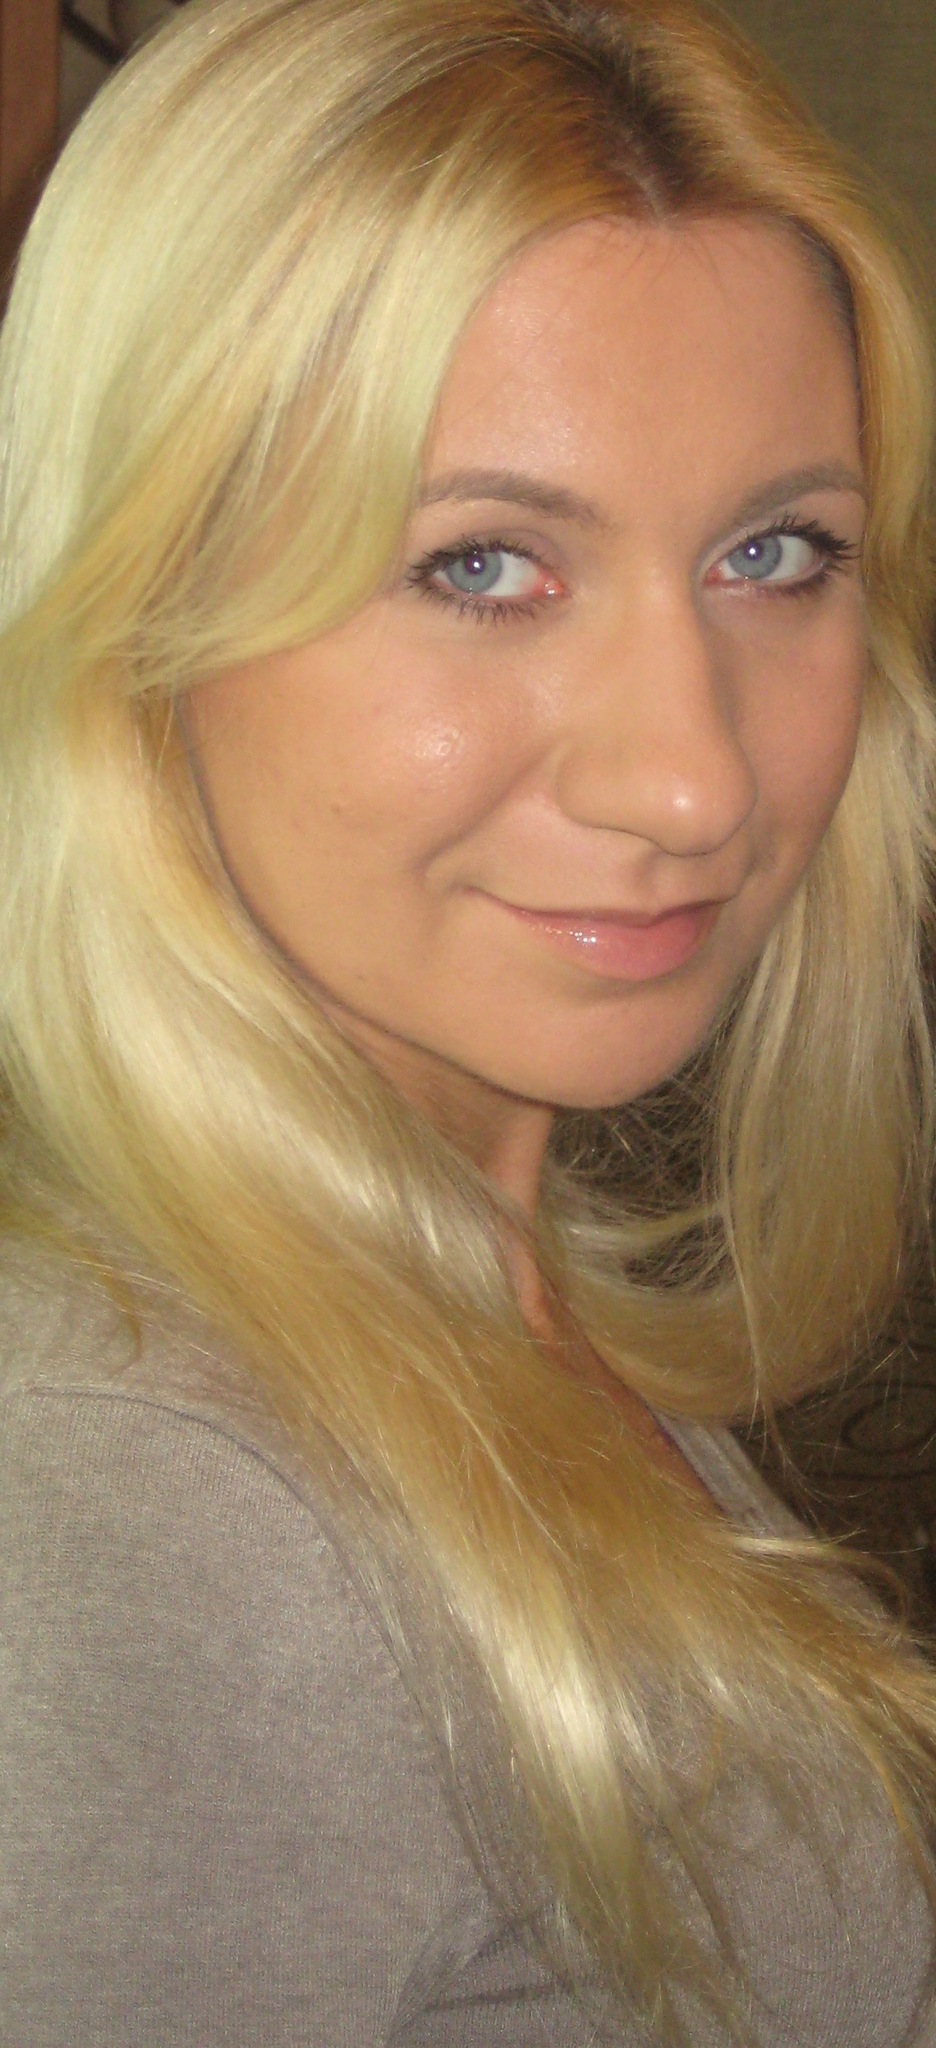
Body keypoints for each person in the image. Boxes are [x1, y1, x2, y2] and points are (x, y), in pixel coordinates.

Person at [1, 0, 935, 2041]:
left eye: (774, 553)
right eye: (486, 565)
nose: (692, 778)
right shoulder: (135, 1507)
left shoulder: (448, 1297)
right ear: (141, 615)